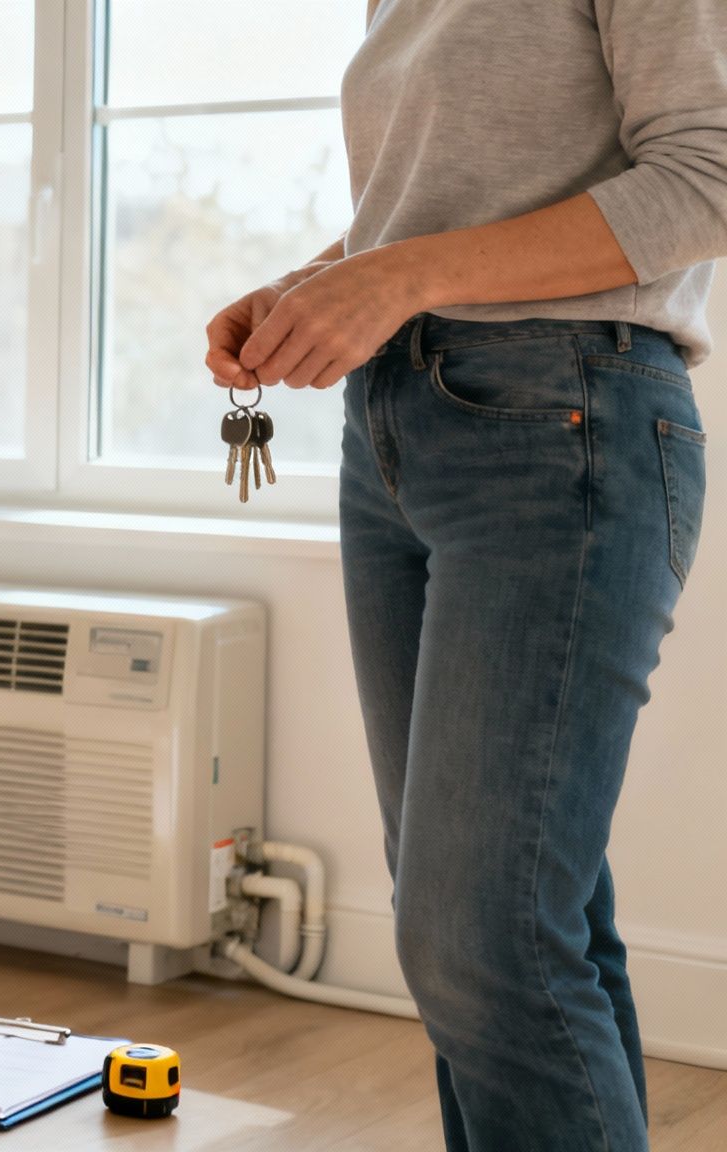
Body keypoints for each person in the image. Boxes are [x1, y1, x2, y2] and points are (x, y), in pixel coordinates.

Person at [206, 2, 725, 1149]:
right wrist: (317, 287)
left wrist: (391, 279)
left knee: (479, 931)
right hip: (392, 423)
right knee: (507, 923)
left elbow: (710, 171)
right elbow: (449, 212)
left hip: (562, 419)